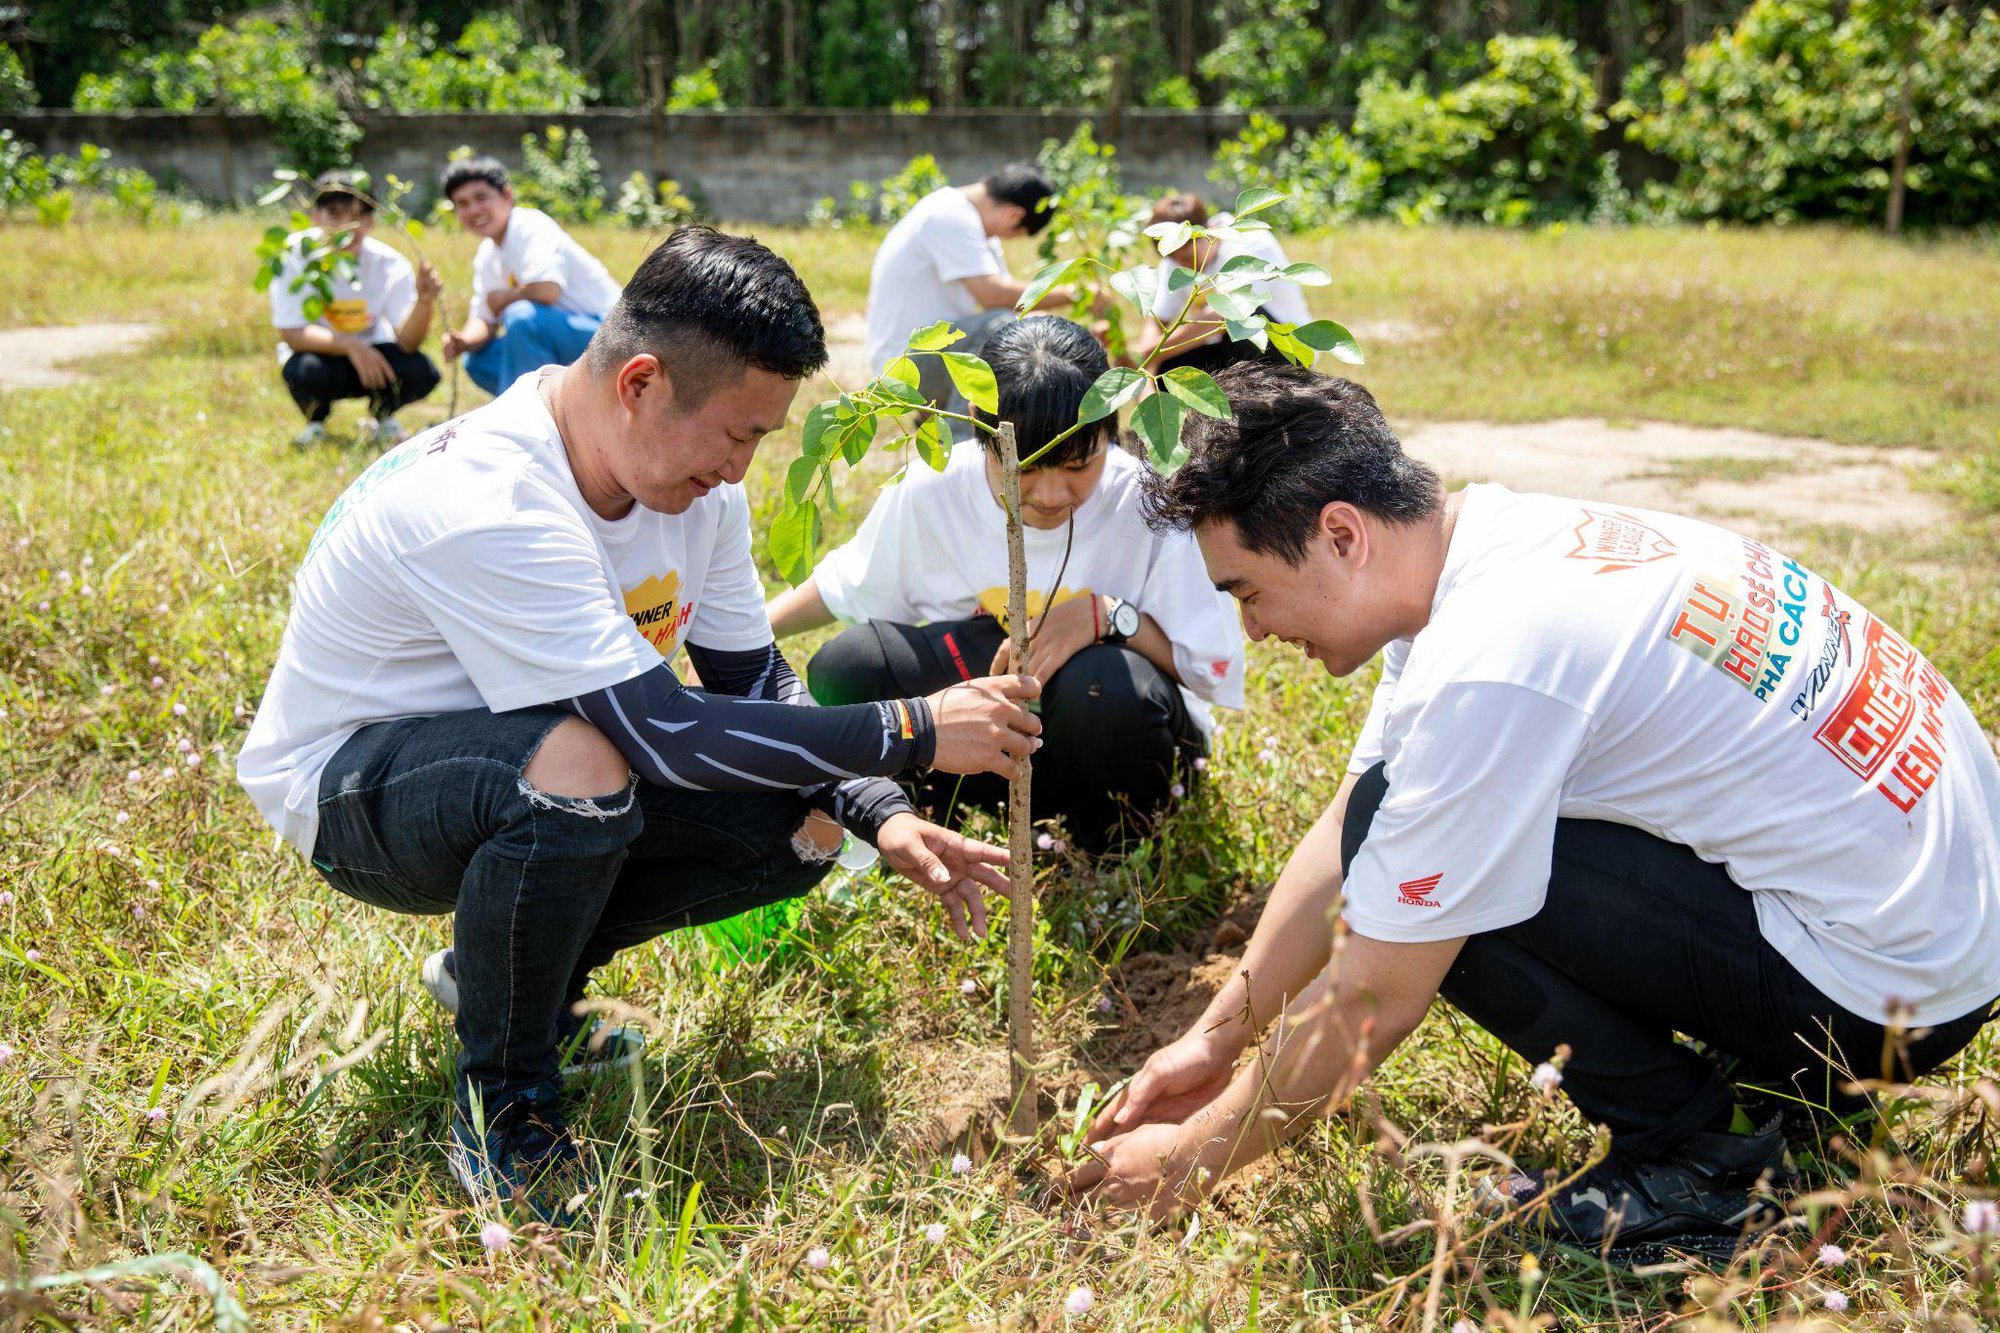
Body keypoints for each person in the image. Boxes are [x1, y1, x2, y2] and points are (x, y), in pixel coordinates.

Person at [1070, 362, 2000, 1265]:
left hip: (1886, 996)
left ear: (1341, 535)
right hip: (1940, 934)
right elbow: (1361, 814)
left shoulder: (1492, 655)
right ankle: (1783, 1099)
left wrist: (1183, 1164)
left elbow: (1374, 993)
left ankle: (1705, 1160)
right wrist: (1219, 1033)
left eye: (1247, 591)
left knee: (1439, 880)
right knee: (1400, 827)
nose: (1255, 630)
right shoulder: (1496, 541)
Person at [238, 226, 1044, 1217]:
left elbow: (752, 687)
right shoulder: (490, 498)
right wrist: (913, 728)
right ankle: (507, 1101)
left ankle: (509, 978)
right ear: (641, 384)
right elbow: (663, 733)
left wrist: (880, 808)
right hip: (355, 792)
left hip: (531, 760)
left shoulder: (690, 497)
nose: (743, 470)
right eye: (739, 434)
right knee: (578, 766)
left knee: (805, 825)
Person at [768, 316, 1244, 851]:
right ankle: (930, 816)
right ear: (979, 425)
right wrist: (741, 642)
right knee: (848, 669)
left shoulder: (1150, 504)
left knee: (1105, 684)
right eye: (1025, 468)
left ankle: (1113, 852)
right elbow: (844, 586)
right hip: (990, 755)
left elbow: (1205, 668)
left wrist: (1107, 618)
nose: (1048, 495)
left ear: (1110, 427)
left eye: (1077, 465)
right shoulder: (937, 488)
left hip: (1113, 742)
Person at [864, 162, 1095, 407]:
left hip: (927, 356)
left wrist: (1063, 338)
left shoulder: (974, 224)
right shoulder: (948, 216)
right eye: (1016, 234)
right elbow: (994, 296)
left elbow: (1014, 306)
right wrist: (1075, 295)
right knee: (998, 329)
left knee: (1023, 336)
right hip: (903, 365)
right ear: (1014, 215)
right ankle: (964, 438)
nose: (1008, 239)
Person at [271, 170, 443, 448]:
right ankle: (316, 421)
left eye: (358, 216)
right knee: (305, 371)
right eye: (335, 215)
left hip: (376, 358)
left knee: (420, 370)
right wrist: (352, 346)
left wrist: (424, 300)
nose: (347, 227)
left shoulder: (389, 263)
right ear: (317, 217)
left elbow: (408, 342)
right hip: (322, 356)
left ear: (370, 221)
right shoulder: (295, 255)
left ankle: (383, 417)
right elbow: (292, 333)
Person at [438, 156, 623, 398]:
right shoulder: (488, 253)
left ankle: (531, 417)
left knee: (522, 318)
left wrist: (504, 298)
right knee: (478, 360)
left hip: (611, 335)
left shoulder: (529, 225)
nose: (473, 210)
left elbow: (547, 290)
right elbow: (485, 318)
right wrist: (463, 340)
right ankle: (560, 406)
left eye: (481, 198)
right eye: (462, 204)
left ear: (507, 195)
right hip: (564, 340)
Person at [1128, 192, 1311, 377]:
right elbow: (1158, 319)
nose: (1182, 264)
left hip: (1286, 352)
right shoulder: (1174, 260)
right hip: (1229, 350)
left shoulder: (1248, 241)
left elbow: (1224, 315)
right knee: (1167, 369)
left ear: (1205, 232)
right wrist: (1147, 358)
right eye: (1174, 259)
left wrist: (1153, 351)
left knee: (1242, 316)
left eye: (1187, 257)